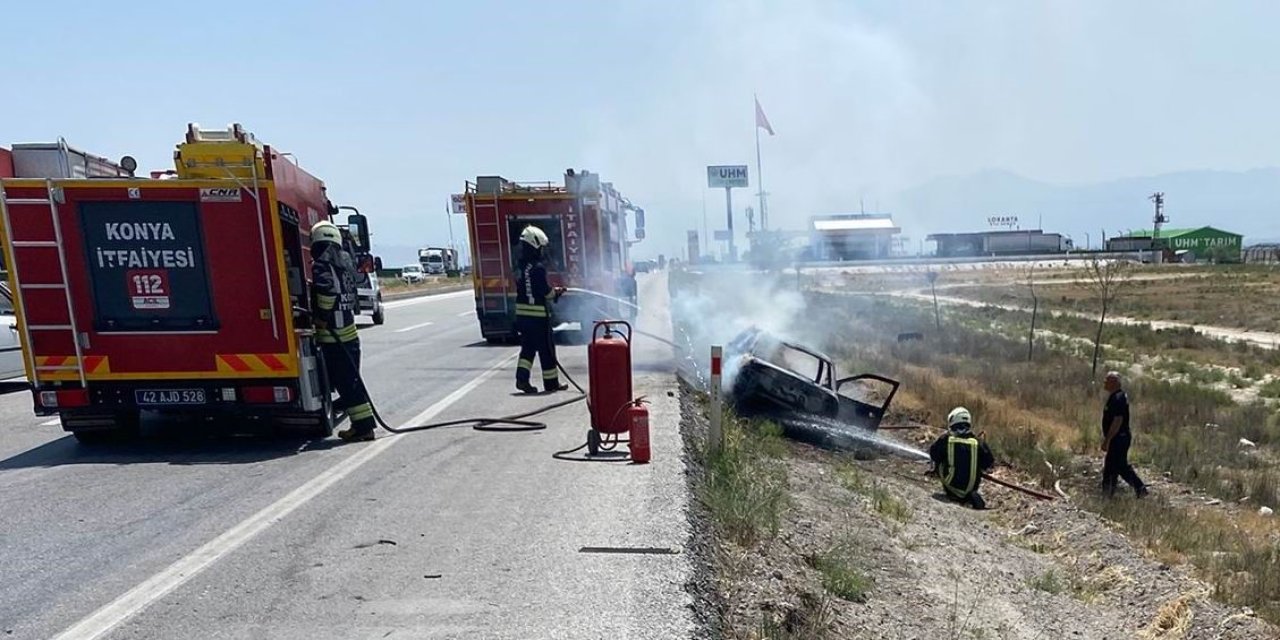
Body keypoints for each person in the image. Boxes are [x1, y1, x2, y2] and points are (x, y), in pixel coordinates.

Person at [310, 220, 376, 442]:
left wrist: (320, 317)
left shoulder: (322, 265)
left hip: (333, 338)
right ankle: (361, 423)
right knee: (350, 382)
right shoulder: (343, 265)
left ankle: (363, 427)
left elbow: (327, 293)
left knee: (347, 384)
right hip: (349, 335)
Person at [514, 225, 567, 394]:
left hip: (523, 317)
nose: (543, 251)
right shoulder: (538, 268)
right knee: (547, 350)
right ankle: (551, 384)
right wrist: (556, 292)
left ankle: (522, 379)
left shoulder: (522, 267)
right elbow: (545, 292)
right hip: (538, 317)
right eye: (541, 248)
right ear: (535, 245)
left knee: (528, 349)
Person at [929, 407, 996, 509]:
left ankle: (954, 492)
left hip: (950, 487)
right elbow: (989, 463)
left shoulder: (946, 439)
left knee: (941, 460)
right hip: (971, 489)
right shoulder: (978, 442)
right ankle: (968, 496)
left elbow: (933, 454)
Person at [1101, 371, 1148, 498]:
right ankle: (1138, 489)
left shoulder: (1118, 398)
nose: (1104, 383)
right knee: (1119, 466)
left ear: (1114, 383)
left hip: (1119, 438)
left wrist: (1108, 440)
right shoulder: (1115, 396)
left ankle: (1108, 493)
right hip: (1118, 438)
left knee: (1113, 466)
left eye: (1107, 381)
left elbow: (1118, 420)